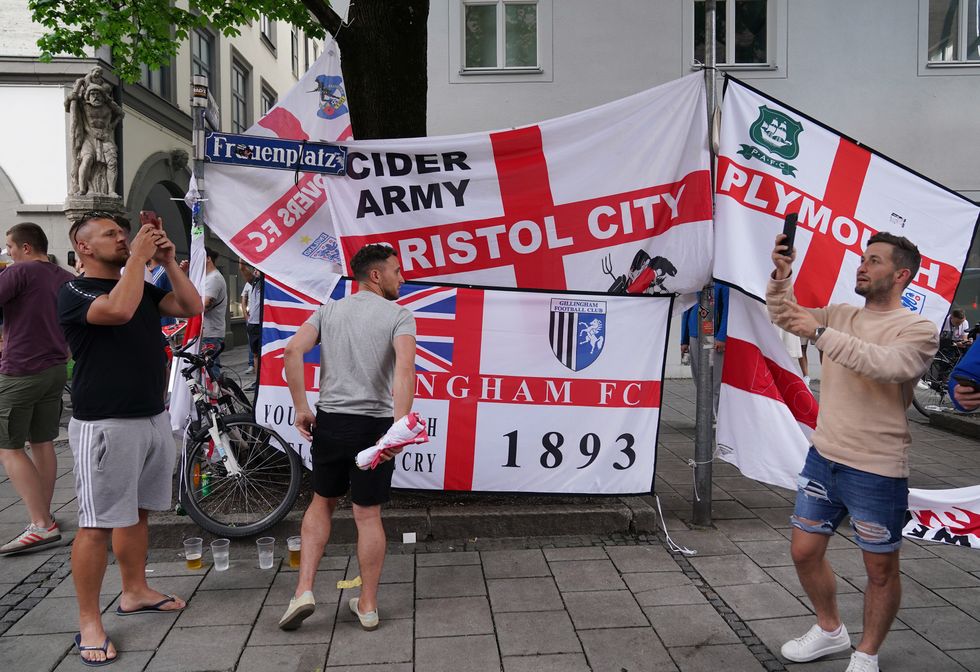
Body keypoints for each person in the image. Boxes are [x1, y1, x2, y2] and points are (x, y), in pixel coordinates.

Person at [767, 231, 938, 672]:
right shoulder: (842, 314)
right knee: (804, 552)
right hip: (824, 458)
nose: (862, 266)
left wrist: (821, 333)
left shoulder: (917, 328)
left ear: (901, 274)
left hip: (877, 469)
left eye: (875, 260)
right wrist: (782, 275)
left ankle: (867, 654)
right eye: (863, 258)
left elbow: (887, 366)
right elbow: (783, 316)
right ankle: (829, 630)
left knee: (880, 571)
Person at [58, 213, 203, 665]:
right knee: (97, 523)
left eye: (124, 233)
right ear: (83, 247)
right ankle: (88, 621)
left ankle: (135, 590)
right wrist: (139, 260)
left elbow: (191, 307)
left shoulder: (138, 284)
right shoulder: (76, 291)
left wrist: (167, 260)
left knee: (138, 513)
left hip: (151, 417)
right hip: (106, 423)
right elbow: (117, 312)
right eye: (110, 235)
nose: (121, 239)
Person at [278, 244, 416, 633]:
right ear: (376, 275)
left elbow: (292, 351)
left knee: (321, 503)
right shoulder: (399, 316)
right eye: (396, 271)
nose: (401, 278)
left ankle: (303, 591)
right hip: (372, 428)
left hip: (332, 422)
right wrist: (399, 427)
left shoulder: (329, 310)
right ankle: (368, 606)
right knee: (367, 514)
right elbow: (404, 373)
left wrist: (302, 408)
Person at [0, 223, 74, 555]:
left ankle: (41, 524)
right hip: (55, 367)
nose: (8, 253)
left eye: (10, 247)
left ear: (26, 247)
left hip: (21, 368)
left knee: (8, 446)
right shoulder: (63, 276)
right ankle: (45, 515)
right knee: (42, 441)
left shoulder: (21, 271)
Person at [679, 284, 729, 415]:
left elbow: (727, 311)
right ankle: (706, 416)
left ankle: (717, 418)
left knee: (715, 381)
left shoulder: (723, 283)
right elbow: (686, 309)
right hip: (694, 335)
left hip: (714, 338)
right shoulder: (695, 281)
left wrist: (722, 337)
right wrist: (684, 339)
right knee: (699, 380)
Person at [202, 247, 227, 379]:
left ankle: (215, 399)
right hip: (205, 332)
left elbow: (204, 306)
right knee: (205, 371)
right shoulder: (206, 278)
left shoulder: (214, 279)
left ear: (208, 259)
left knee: (211, 371)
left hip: (210, 333)